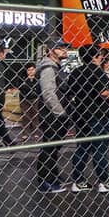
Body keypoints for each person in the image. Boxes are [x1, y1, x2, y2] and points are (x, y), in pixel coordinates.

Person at [66, 47, 109, 192]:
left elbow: (70, 92)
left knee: (82, 147)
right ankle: (104, 181)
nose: (101, 58)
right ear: (95, 57)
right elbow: (103, 92)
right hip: (99, 114)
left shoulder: (75, 72)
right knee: (100, 148)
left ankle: (78, 181)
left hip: (81, 114)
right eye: (99, 55)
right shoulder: (98, 72)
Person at [33, 43, 70, 193]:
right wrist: (60, 112)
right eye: (60, 48)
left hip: (55, 116)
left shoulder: (55, 68)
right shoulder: (48, 69)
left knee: (53, 147)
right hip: (52, 116)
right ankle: (45, 181)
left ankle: (52, 175)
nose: (64, 51)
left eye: (65, 48)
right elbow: (48, 94)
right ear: (50, 51)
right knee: (49, 148)